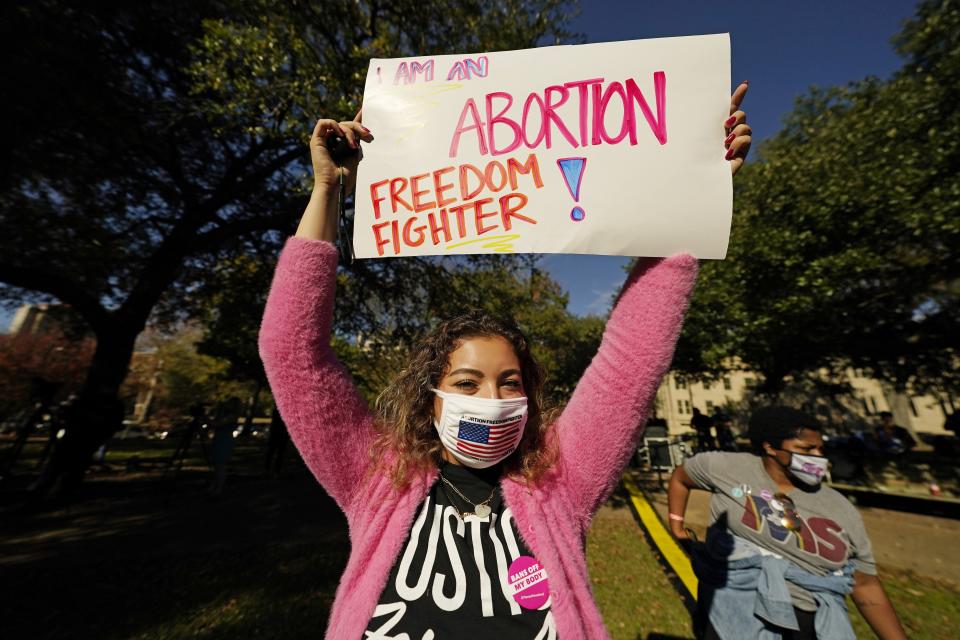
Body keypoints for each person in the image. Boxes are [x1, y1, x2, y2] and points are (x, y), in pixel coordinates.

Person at [258, 82, 752, 638]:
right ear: (429, 398)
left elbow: (631, 362)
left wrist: (692, 193)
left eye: (509, 383)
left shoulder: (560, 482)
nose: (492, 401)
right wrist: (328, 189)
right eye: (467, 383)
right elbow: (293, 353)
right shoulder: (379, 480)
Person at [667, 406, 907, 640]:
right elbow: (681, 477)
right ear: (770, 447)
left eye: (820, 449)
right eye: (806, 449)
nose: (818, 458)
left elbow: (864, 584)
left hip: (806, 622)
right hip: (733, 611)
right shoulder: (725, 468)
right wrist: (677, 527)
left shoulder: (841, 509)